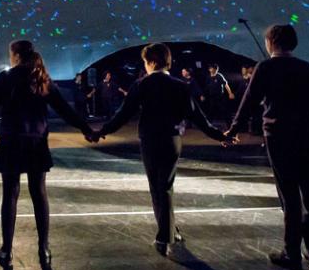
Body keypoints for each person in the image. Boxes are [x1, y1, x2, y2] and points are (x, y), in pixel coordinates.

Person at [0, 41, 96, 269]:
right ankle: (44, 249)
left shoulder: (6, 78)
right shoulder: (41, 77)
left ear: (15, 55)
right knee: (39, 194)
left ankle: (7, 250)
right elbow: (65, 110)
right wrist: (87, 129)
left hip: (10, 141)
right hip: (36, 142)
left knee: (10, 194)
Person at [93, 43, 230, 256]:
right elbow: (199, 118)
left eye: (146, 62)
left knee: (157, 187)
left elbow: (123, 114)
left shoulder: (141, 85)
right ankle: (169, 230)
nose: (145, 66)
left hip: (149, 140)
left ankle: (164, 236)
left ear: (152, 62)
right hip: (172, 140)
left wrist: (101, 131)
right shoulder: (180, 86)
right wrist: (220, 135)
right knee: (165, 186)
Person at [225, 24, 309, 270]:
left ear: (270, 43)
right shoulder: (306, 67)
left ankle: (291, 252)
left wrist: (233, 130)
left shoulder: (265, 67)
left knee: (288, 194)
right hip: (306, 136)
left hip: (279, 136)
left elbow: (249, 102)